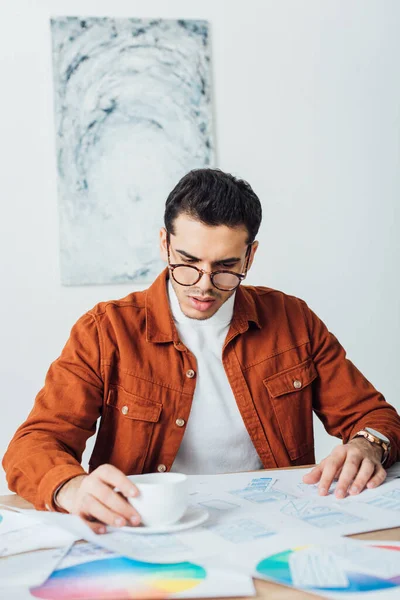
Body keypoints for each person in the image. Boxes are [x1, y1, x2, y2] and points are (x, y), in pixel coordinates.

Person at [3, 169, 400, 534]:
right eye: (188, 263)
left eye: (226, 266)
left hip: (275, 523)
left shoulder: (292, 319)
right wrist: (71, 488)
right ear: (165, 243)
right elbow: (33, 445)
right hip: (147, 528)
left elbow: (375, 416)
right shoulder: (106, 330)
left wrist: (367, 445)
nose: (204, 286)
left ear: (250, 256)